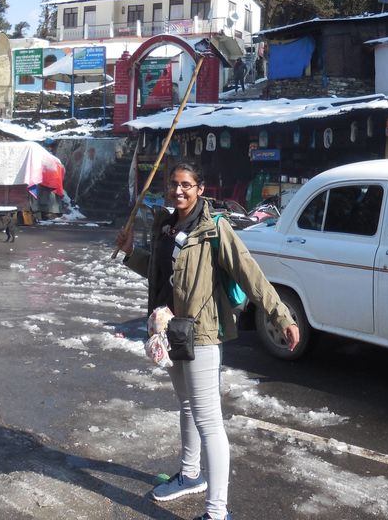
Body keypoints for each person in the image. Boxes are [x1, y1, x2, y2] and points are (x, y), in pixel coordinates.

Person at [115, 163, 299, 520]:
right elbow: (159, 273)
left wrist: (282, 316)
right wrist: (128, 252)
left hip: (202, 335)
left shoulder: (215, 228)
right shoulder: (167, 227)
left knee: (209, 421)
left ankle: (217, 512)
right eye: (174, 184)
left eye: (186, 185)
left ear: (200, 189)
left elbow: (252, 276)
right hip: (171, 332)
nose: (178, 190)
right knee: (186, 406)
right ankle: (189, 475)